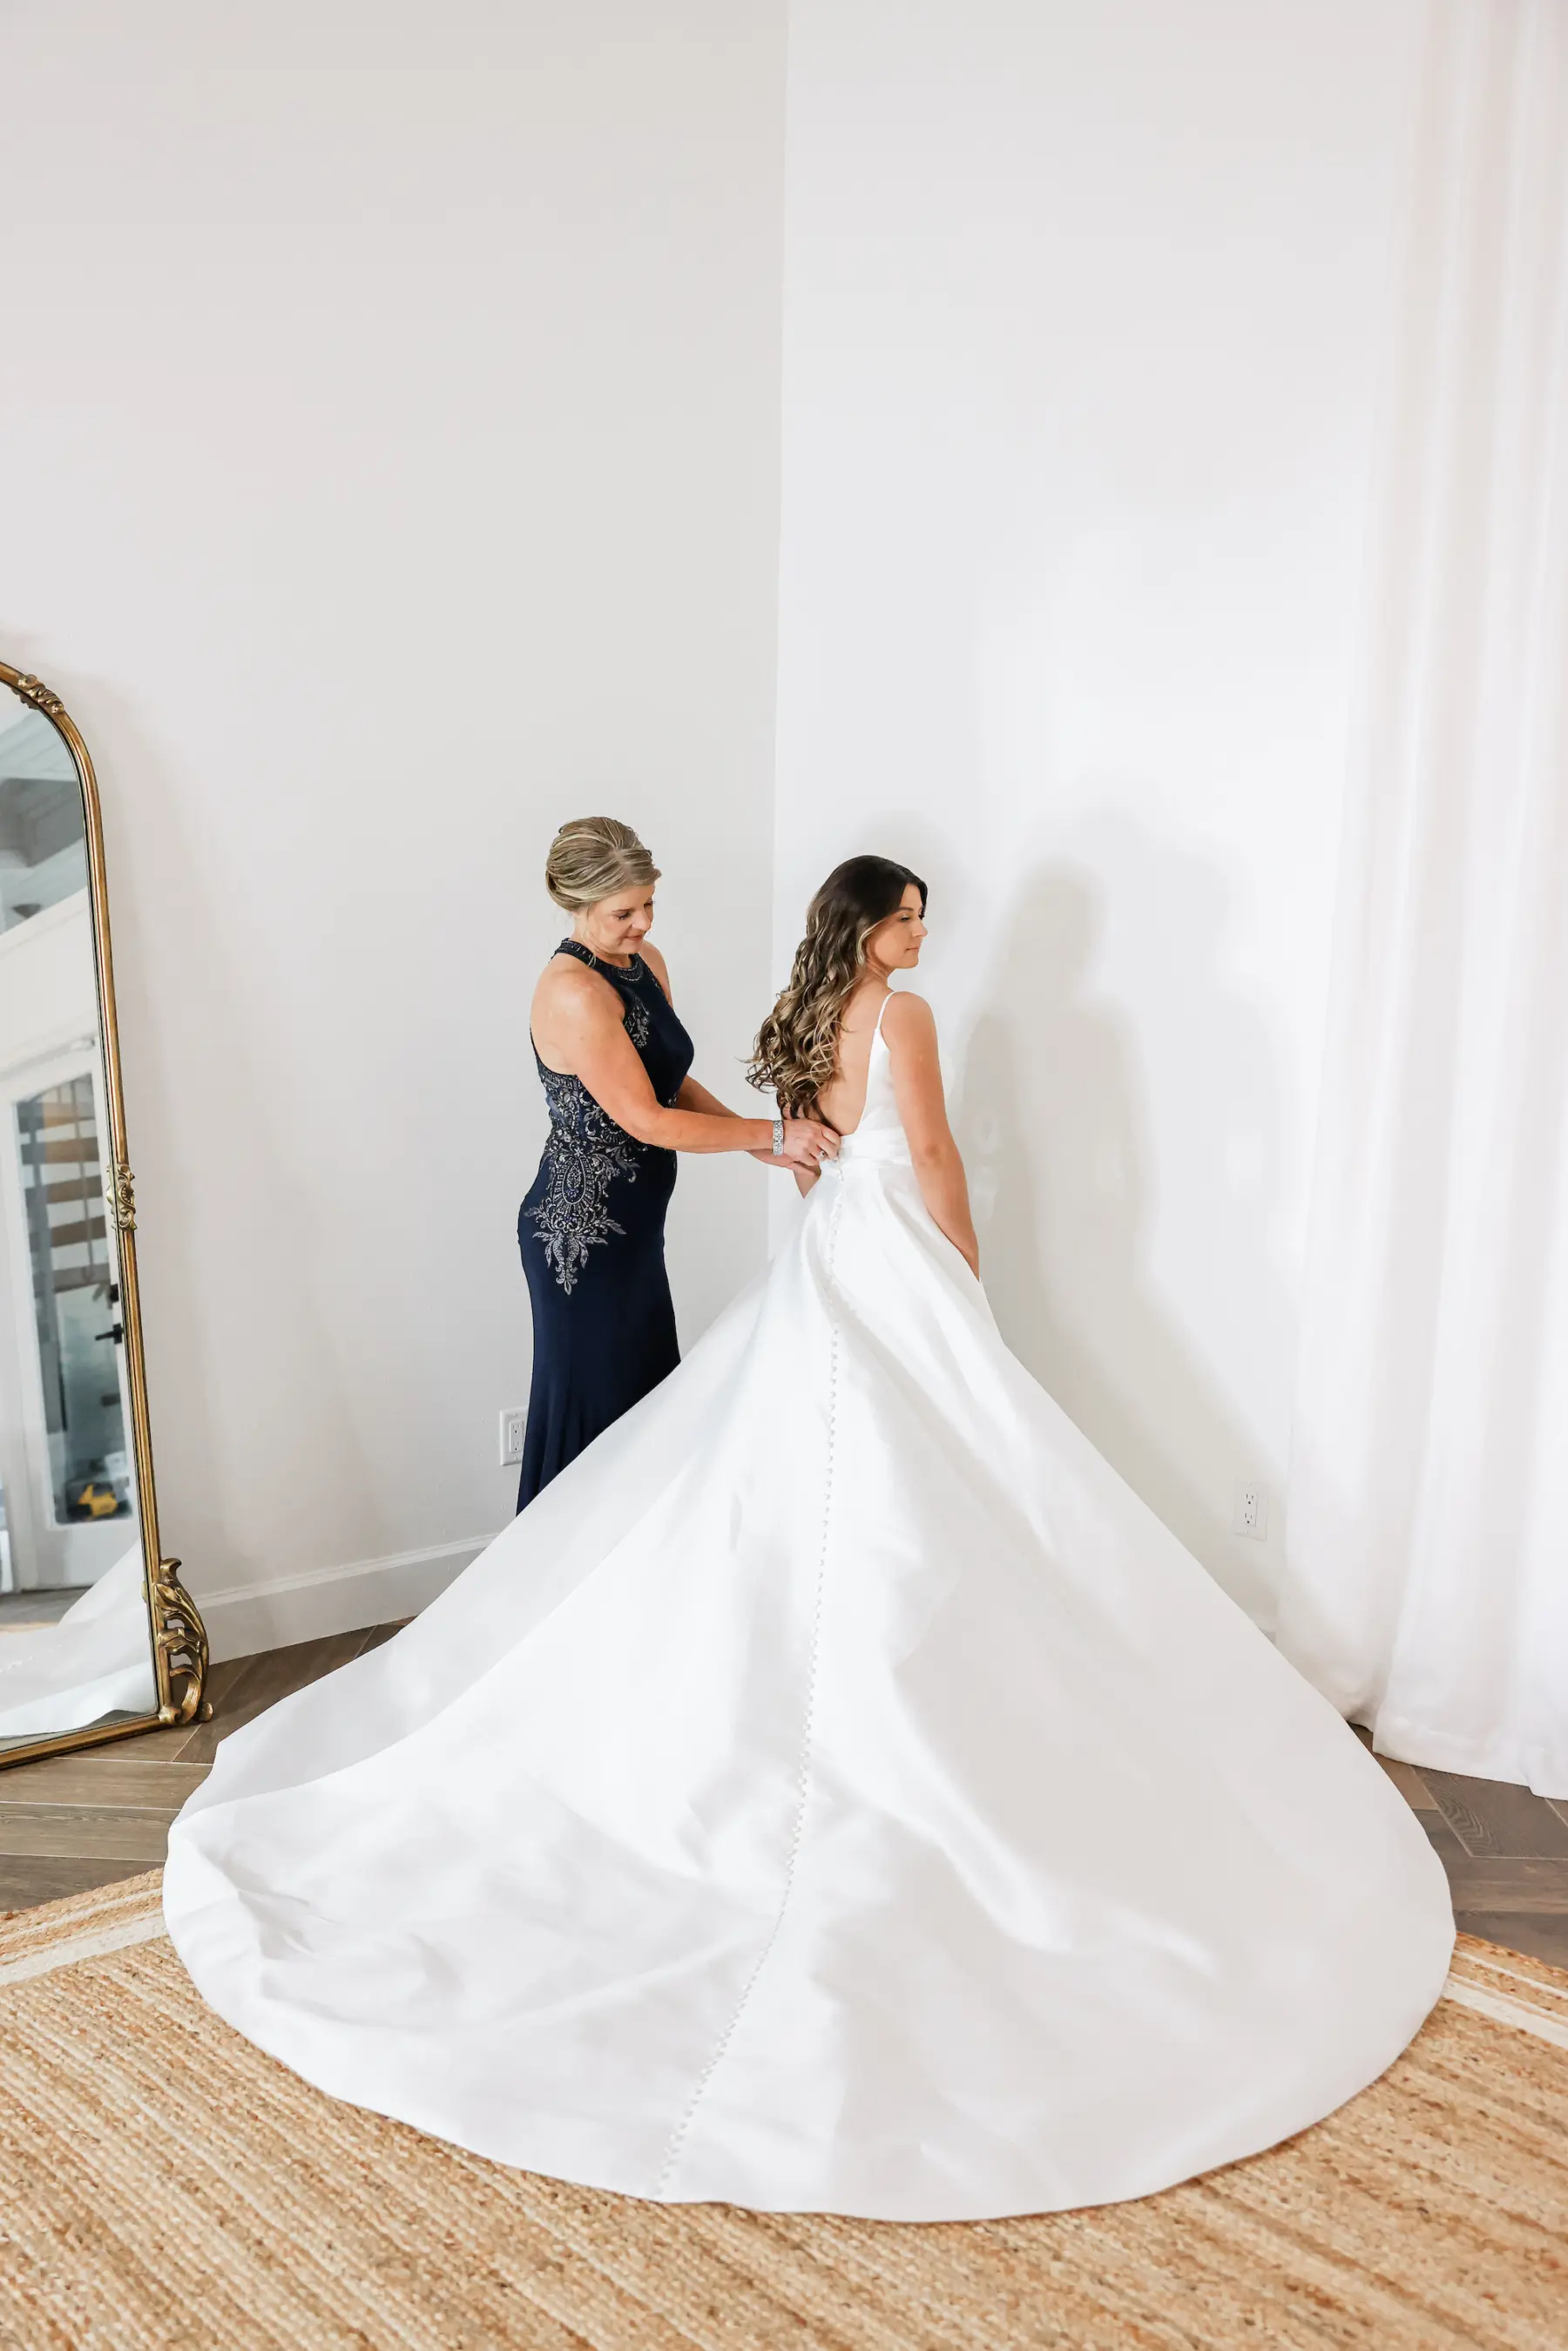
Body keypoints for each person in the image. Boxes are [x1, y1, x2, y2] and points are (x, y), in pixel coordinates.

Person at [163, 853, 1453, 2225]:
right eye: (910, 915)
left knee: (777, 1475)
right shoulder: (900, 1012)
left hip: (836, 1243)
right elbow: (935, 1154)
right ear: (876, 925)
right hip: (879, 1246)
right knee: (927, 1483)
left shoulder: (802, 1002)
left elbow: (799, 1147)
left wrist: (835, 1216)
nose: (921, 933)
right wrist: (962, 1274)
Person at [517, 816, 835, 1507]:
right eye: (623, 912)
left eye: (649, 904)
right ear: (576, 904)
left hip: (633, 1231)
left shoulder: (644, 965)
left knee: (649, 1407)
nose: (642, 924)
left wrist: (763, 1138)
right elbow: (647, 1120)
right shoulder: (572, 992)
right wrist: (773, 1137)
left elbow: (668, 1082)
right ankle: (566, 1588)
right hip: (581, 1237)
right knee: (598, 1419)